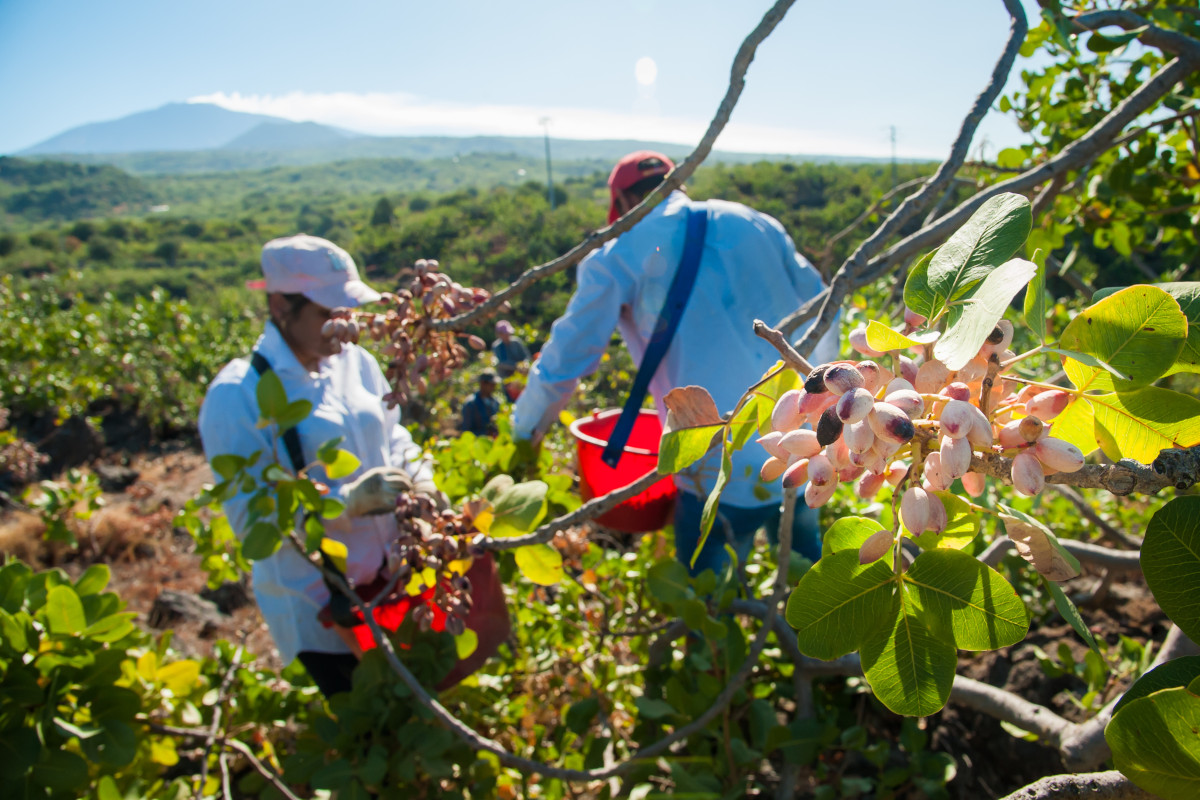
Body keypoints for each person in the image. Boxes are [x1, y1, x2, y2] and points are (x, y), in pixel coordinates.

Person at [511, 151, 837, 576]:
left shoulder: (618, 253)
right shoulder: (754, 221)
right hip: (798, 445)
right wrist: (822, 409)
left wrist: (525, 431)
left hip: (714, 464)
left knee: (709, 604)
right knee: (813, 584)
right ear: (677, 182)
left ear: (624, 204)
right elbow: (823, 307)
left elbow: (565, 359)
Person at [198, 234, 440, 698]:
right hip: (319, 613)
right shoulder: (237, 395)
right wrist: (345, 505)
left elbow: (394, 437)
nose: (343, 327)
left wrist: (421, 479)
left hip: (391, 588)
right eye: (328, 314)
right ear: (279, 307)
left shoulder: (358, 363)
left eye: (346, 313)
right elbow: (253, 524)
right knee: (369, 726)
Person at [460, 370, 501, 437]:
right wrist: (486, 433)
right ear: (482, 384)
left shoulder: (496, 402)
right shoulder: (471, 404)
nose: (494, 387)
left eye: (494, 384)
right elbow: (466, 432)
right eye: (491, 384)